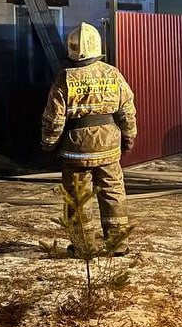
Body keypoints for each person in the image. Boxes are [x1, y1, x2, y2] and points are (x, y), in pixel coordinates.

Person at [41, 21, 137, 255]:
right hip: (109, 147)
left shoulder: (65, 78)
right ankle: (118, 244)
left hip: (76, 150)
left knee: (78, 198)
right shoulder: (112, 73)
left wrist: (49, 144)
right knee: (113, 192)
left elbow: (54, 119)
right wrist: (128, 138)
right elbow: (127, 111)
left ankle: (84, 247)